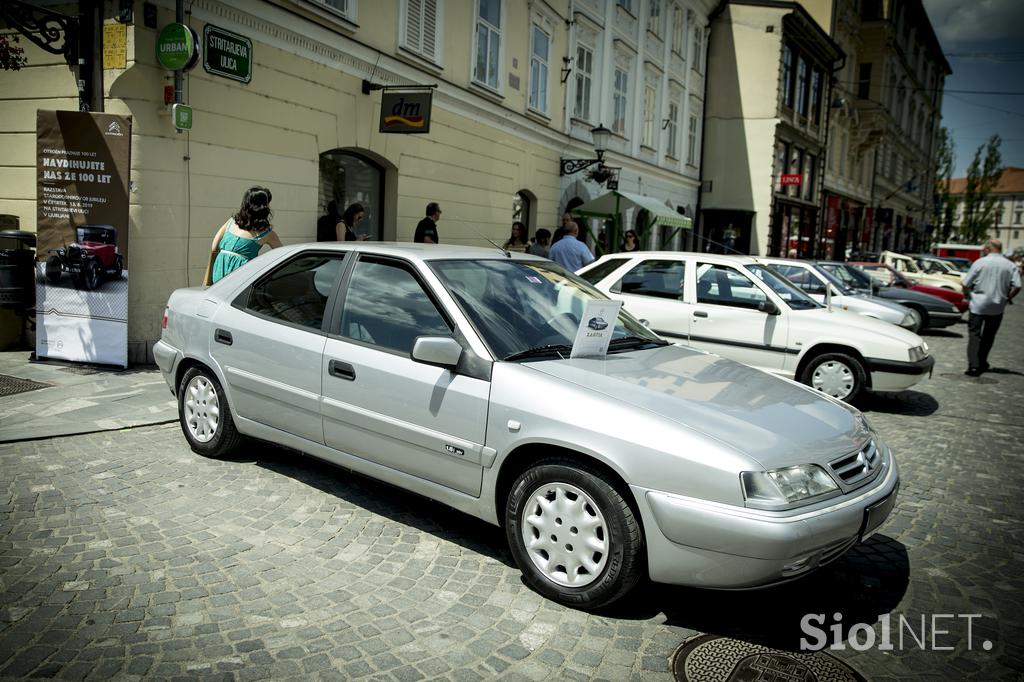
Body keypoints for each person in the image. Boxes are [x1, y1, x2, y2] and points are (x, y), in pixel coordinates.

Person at [962, 238, 1021, 376]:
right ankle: (982, 361)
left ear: (988, 249)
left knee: (974, 335)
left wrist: (968, 295)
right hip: (997, 306)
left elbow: (965, 283)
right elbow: (1018, 285)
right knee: (989, 336)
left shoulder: (980, 262)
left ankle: (974, 365)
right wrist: (1008, 298)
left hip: (978, 304)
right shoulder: (1009, 265)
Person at [204, 186, 283, 285]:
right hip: (241, 280)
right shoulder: (266, 233)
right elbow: (283, 255)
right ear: (264, 208)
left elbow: (214, 246)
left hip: (218, 276)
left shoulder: (230, 222)